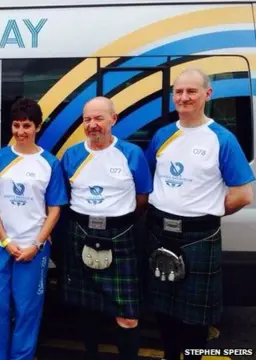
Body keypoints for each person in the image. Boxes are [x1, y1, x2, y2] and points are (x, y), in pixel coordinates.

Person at [144, 68, 254, 360]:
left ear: (207, 94)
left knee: (194, 320)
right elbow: (150, 180)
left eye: (191, 91)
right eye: (179, 92)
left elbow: (243, 195)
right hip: (159, 231)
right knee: (163, 312)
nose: (184, 97)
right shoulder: (162, 135)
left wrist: (205, 215)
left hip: (199, 236)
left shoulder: (222, 139)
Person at [60, 97, 152, 360]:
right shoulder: (72, 155)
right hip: (80, 233)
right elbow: (64, 197)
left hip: (121, 235)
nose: (92, 125)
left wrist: (115, 221)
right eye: (87, 119)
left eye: (99, 118)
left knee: (127, 316)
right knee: (86, 309)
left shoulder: (131, 154)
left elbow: (142, 198)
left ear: (114, 119)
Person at [0, 98, 67, 360]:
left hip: (34, 248)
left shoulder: (50, 163)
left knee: (27, 309)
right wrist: (6, 240)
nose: (20, 131)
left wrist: (37, 244)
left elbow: (55, 209)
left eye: (27, 126)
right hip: (1, 245)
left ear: (38, 127)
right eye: (16, 125)